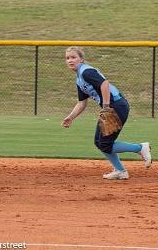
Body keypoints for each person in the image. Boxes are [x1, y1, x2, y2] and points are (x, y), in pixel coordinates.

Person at [62, 46, 152, 180]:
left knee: (104, 143)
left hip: (116, 106)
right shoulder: (79, 79)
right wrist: (71, 117)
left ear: (81, 60)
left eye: (74, 57)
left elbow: (104, 84)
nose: (70, 60)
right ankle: (120, 171)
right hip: (113, 106)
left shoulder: (86, 72)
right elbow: (82, 103)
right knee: (100, 142)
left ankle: (139, 148)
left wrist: (106, 107)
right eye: (68, 58)